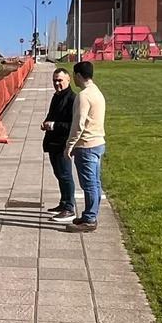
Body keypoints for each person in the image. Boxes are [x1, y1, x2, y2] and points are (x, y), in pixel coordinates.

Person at [65, 61, 106, 232]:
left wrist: (70, 145)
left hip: (86, 145)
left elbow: (78, 124)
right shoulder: (97, 92)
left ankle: (90, 219)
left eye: (74, 75)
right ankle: (90, 213)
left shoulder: (84, 96)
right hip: (98, 143)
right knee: (95, 182)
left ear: (78, 75)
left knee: (88, 184)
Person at [41, 68, 76, 223]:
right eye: (54, 80)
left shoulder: (72, 99)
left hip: (63, 143)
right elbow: (51, 115)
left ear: (68, 80)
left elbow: (72, 125)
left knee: (65, 175)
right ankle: (63, 203)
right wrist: (46, 123)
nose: (57, 83)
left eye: (60, 80)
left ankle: (69, 207)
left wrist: (54, 125)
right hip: (53, 142)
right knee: (58, 174)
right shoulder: (56, 96)